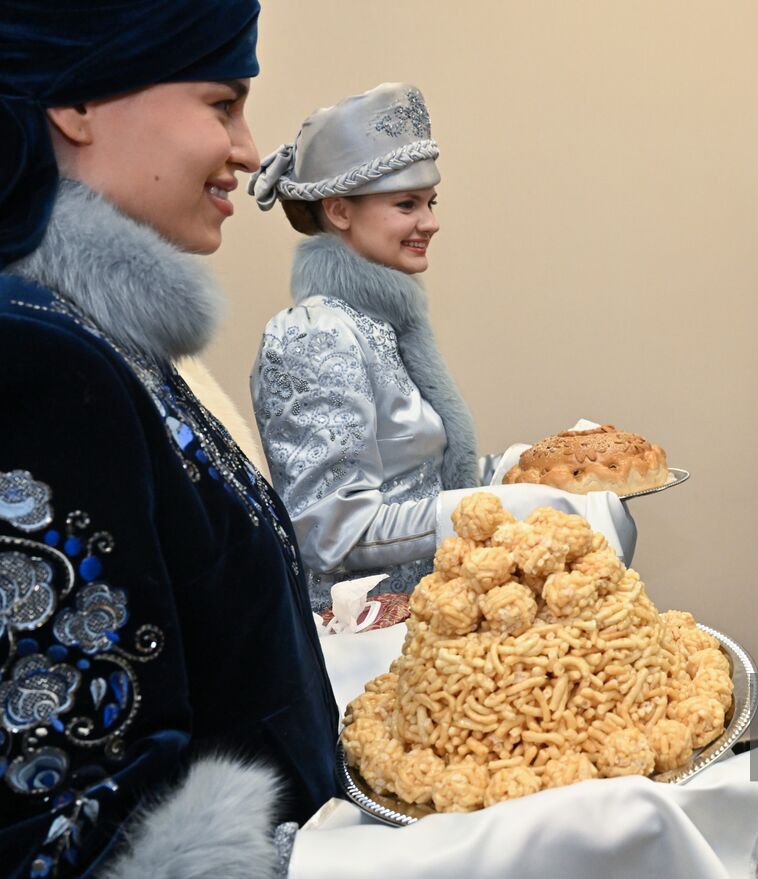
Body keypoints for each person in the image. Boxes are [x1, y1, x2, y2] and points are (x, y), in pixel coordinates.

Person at [0, 2, 339, 875]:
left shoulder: (94, 336)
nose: (249, 149)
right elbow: (78, 821)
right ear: (76, 104)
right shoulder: (37, 356)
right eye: (221, 103)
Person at [248, 84, 480, 612]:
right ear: (339, 211)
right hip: (362, 641)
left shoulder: (379, 321)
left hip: (426, 623)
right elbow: (331, 532)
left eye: (431, 202)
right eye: (406, 204)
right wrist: (488, 508)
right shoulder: (312, 334)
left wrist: (520, 470)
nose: (431, 222)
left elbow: (416, 482)